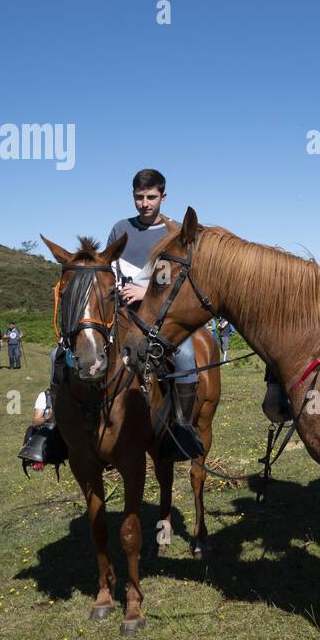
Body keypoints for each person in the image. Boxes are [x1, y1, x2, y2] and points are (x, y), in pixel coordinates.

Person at [107, 168, 202, 456]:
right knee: (78, 353)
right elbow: (110, 269)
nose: (144, 203)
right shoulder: (119, 228)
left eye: (151, 197)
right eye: (139, 197)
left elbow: (179, 278)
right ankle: (56, 424)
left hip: (162, 316)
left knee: (185, 356)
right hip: (123, 313)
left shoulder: (174, 231)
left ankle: (182, 427)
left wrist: (145, 292)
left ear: (163, 196)